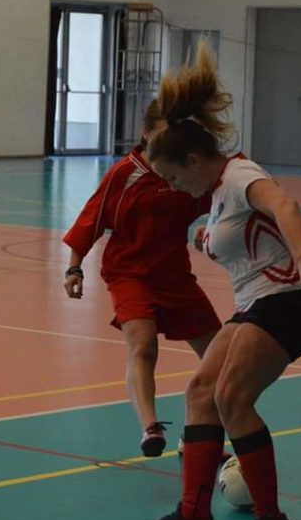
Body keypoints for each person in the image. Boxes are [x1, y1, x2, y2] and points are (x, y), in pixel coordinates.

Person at [137, 42, 301, 520]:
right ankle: (193, 516)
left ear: (194, 159)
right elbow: (238, 235)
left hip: (290, 300)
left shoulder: (240, 176)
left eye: (175, 176)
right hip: (256, 304)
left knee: (232, 397)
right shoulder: (218, 194)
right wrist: (206, 237)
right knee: (201, 391)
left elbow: (285, 205)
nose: (175, 187)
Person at [62, 102, 221, 457]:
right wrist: (74, 267)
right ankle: (151, 428)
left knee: (220, 357)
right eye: (162, 132)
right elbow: (91, 218)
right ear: (146, 133)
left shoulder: (186, 170)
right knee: (144, 345)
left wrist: (212, 231)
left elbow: (217, 202)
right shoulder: (125, 174)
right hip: (129, 273)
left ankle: (195, 433)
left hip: (175, 276)